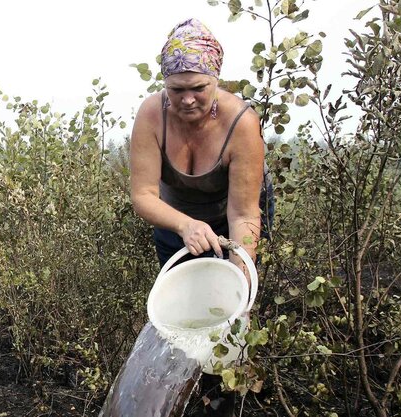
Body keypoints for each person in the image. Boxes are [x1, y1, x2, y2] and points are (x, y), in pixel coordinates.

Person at [128, 18, 274, 416]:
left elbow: (244, 212)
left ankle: (231, 398)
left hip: (233, 220)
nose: (188, 99)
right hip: (176, 218)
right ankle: (191, 388)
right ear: (164, 84)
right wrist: (185, 225)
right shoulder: (152, 115)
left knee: (233, 312)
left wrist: (239, 276)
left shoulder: (241, 123)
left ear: (216, 80)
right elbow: (142, 195)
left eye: (199, 88)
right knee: (184, 313)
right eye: (177, 90)